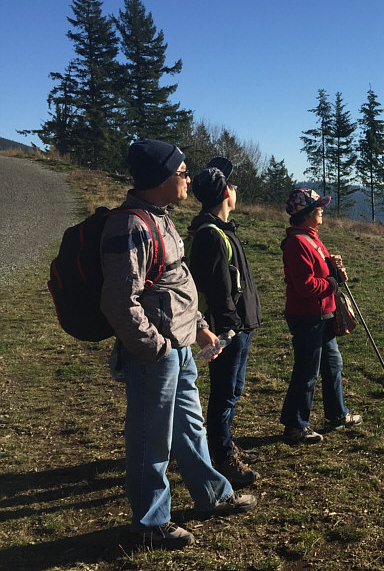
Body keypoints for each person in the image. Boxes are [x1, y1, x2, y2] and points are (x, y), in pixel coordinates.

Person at [100, 139, 257, 550]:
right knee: (150, 437)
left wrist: (200, 326)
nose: (188, 178)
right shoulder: (130, 225)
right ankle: (149, 523)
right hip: (157, 352)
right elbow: (118, 301)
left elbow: (177, 282)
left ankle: (212, 495)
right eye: (182, 172)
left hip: (181, 345)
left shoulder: (162, 218)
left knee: (190, 427)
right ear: (161, 179)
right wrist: (157, 347)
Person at [187, 157, 262, 487]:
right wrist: (230, 329)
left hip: (238, 327)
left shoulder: (223, 231)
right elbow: (219, 291)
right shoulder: (211, 236)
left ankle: (226, 442)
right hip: (228, 331)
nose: (236, 189)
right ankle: (222, 454)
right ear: (224, 193)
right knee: (224, 392)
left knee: (233, 389)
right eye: (232, 185)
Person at [280, 186, 362, 445]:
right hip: (307, 316)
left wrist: (333, 267)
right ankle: (295, 427)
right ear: (306, 213)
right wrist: (332, 283)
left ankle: (337, 415)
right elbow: (306, 286)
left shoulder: (312, 238)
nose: (322, 210)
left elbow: (323, 272)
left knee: (333, 365)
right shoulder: (296, 243)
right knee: (307, 372)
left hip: (322, 315)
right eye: (318, 207)